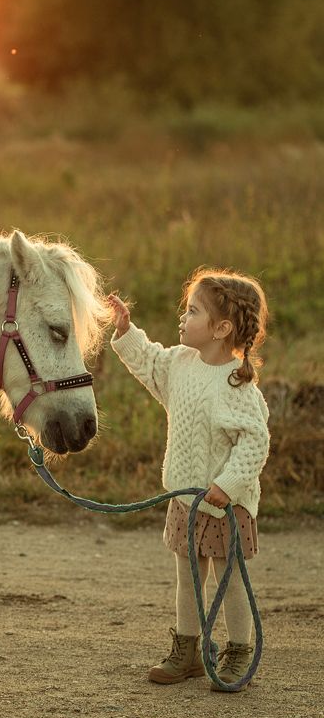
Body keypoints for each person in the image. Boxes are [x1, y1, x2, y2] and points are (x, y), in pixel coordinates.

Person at [106, 269, 270, 690]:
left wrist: (227, 485)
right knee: (188, 575)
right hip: (185, 500)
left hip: (226, 505)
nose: (182, 317)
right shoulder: (179, 365)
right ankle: (188, 650)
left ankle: (238, 652)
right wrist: (126, 331)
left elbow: (254, 444)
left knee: (229, 579)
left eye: (192, 311)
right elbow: (147, 361)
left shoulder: (239, 386)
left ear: (221, 328)